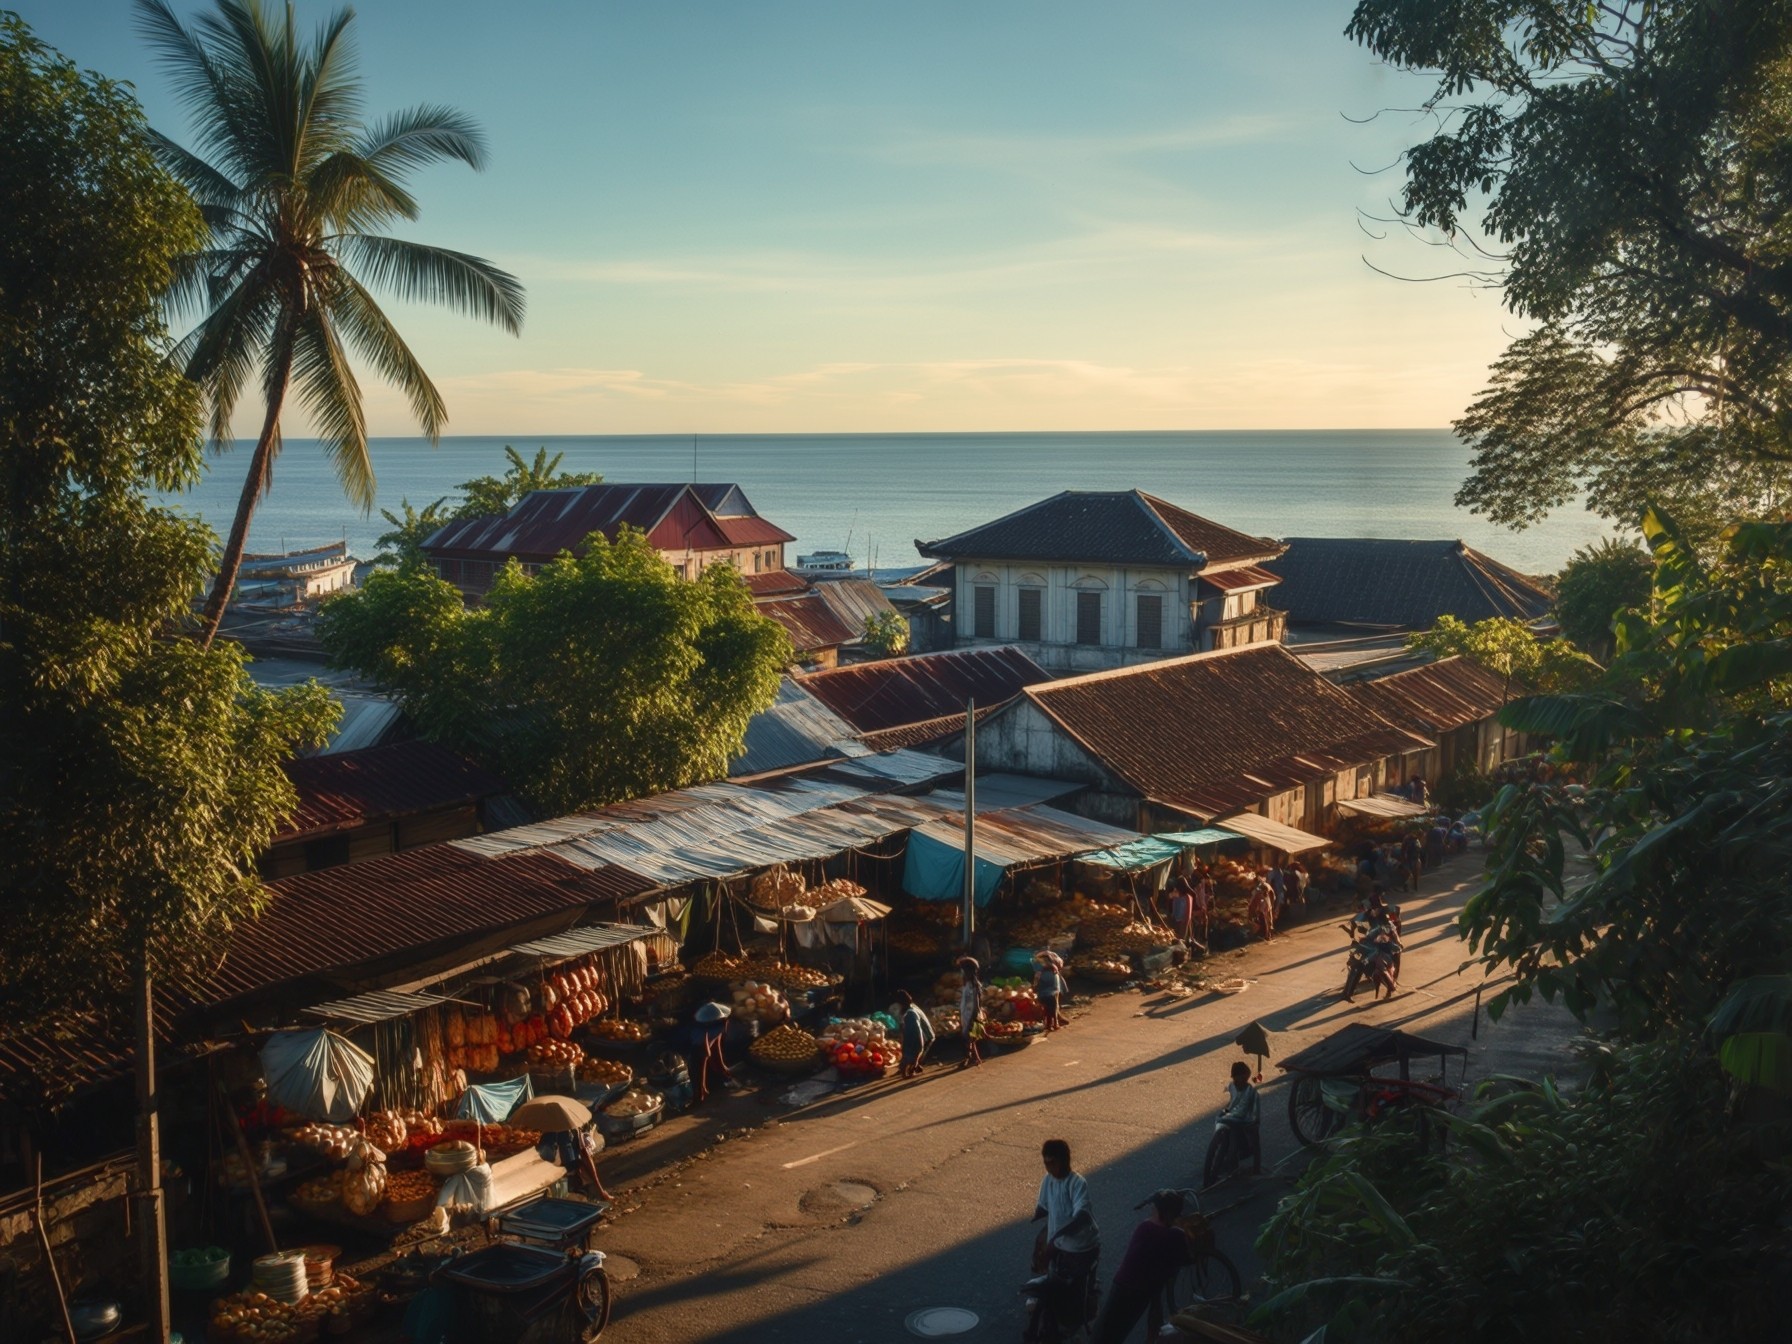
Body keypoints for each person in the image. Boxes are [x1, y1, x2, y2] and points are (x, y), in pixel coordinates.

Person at [1090, 1189, 1190, 1344]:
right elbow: (1186, 1258)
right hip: (1141, 1292)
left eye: (1154, 1209)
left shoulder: (1145, 1228)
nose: (1152, 1211)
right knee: (1115, 1331)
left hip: (1124, 1286)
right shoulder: (1175, 1236)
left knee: (1105, 1332)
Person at [1029, 1138, 1101, 1338]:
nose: (1048, 1167)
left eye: (1051, 1162)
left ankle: (1081, 1315)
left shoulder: (1077, 1183)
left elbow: (1082, 1216)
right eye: (1045, 1162)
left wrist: (1057, 1236)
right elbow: (1044, 1205)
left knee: (1075, 1290)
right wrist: (1037, 1216)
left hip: (1081, 1246)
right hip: (1059, 1243)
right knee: (1053, 1280)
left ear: (1063, 1161)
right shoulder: (1048, 1180)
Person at [539, 1124, 613, 1200]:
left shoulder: (545, 1137)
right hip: (571, 1180)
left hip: (555, 1182)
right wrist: (600, 1190)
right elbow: (586, 1157)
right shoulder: (572, 1131)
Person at [1215, 1060, 1262, 1177]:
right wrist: (1225, 1111)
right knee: (1226, 1135)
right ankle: (1228, 1162)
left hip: (1247, 1117)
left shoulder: (1251, 1091)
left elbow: (1255, 1106)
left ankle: (1256, 1168)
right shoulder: (1232, 1086)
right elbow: (1232, 1101)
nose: (1243, 1081)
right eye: (1241, 1078)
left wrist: (1255, 1119)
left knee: (1254, 1140)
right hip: (1234, 1116)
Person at [689, 1001, 732, 1104]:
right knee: (695, 1072)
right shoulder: (700, 1036)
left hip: (700, 1048)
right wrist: (701, 1090)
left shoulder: (718, 1026)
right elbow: (700, 1064)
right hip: (690, 1049)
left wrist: (722, 1068)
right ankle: (698, 1096)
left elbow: (715, 1049)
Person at [896, 988, 935, 1078]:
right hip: (918, 1033)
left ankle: (911, 1069)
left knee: (914, 1054)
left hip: (925, 1035)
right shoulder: (910, 1008)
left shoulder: (911, 1013)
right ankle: (913, 1067)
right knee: (912, 1054)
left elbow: (916, 1031)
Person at [957, 955, 985, 1068]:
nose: (961, 973)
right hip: (966, 1016)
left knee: (968, 1039)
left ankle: (968, 1059)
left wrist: (972, 1020)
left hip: (971, 1017)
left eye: (962, 970)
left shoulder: (974, 986)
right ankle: (976, 1058)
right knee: (970, 1039)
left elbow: (976, 1005)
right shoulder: (968, 984)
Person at [1033, 951, 1066, 1031]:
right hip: (1050, 992)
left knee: (1049, 1008)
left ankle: (1051, 1024)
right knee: (1052, 1008)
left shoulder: (1042, 972)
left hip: (1047, 992)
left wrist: (1035, 987)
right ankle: (1053, 1024)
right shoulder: (1054, 971)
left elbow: (1036, 983)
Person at [1165, 874, 1196, 944]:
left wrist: (1184, 926)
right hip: (1176, 921)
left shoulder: (1187, 897)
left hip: (1182, 922)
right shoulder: (1178, 895)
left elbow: (1187, 915)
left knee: (1181, 940)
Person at [1248, 868, 1276, 941]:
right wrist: (1272, 903)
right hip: (1267, 904)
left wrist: (1251, 905)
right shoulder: (1265, 885)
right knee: (1268, 920)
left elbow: (1254, 898)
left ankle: (1267, 934)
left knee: (1266, 920)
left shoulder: (1258, 888)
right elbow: (1273, 895)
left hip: (1263, 905)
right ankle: (1268, 934)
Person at [1191, 869, 1215, 949]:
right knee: (1198, 927)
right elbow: (1199, 899)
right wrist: (1201, 908)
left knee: (1202, 926)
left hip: (1200, 909)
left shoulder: (1200, 886)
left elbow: (1203, 897)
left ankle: (1202, 944)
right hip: (1197, 910)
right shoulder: (1196, 888)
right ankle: (1198, 946)